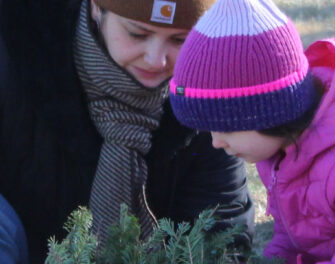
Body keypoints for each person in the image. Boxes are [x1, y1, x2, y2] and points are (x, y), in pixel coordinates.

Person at [169, 0, 335, 263]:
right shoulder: (280, 152)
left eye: (224, 128)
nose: (216, 143)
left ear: (268, 112)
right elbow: (294, 233)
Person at [0, 0, 255, 262]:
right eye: (138, 34)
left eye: (180, 40)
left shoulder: (206, 92)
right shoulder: (14, 55)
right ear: (96, 9)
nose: (156, 59)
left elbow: (222, 223)